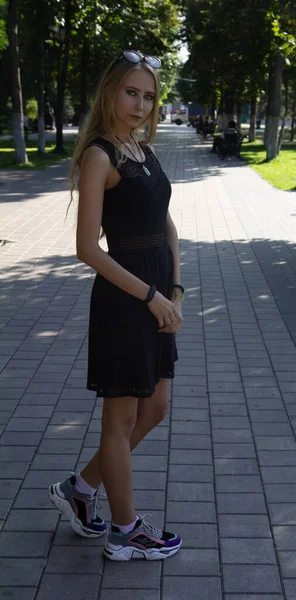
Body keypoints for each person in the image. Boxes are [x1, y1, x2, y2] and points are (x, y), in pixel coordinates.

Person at [48, 49, 183, 561]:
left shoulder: (142, 150)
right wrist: (149, 297)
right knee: (120, 423)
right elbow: (87, 249)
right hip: (126, 300)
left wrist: (175, 291)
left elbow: (167, 225)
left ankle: (80, 491)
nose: (141, 104)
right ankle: (126, 531)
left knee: (157, 407)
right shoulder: (100, 155)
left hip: (158, 298)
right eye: (131, 92)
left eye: (149, 96)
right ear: (110, 91)